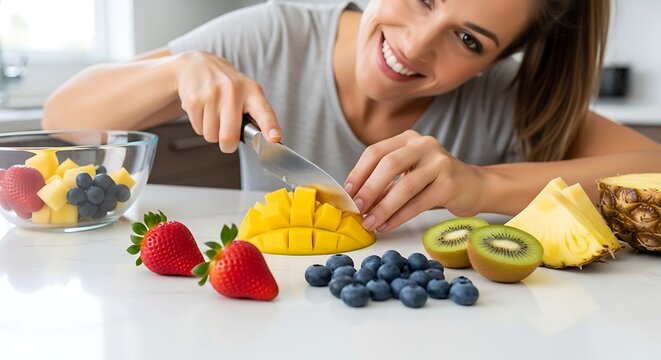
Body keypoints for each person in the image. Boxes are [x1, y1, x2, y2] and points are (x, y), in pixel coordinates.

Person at [42, 0, 661, 233]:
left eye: (469, 41)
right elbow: (63, 114)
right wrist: (173, 72)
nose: (416, 45)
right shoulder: (273, 36)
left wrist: (481, 184)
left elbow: (654, 170)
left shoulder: (508, 99)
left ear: (500, 58)